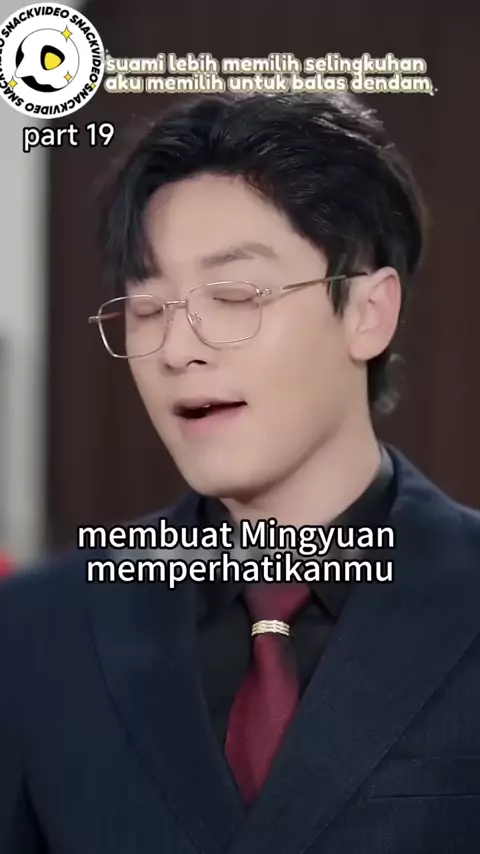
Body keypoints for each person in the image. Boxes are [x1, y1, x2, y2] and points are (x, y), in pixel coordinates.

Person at [1, 91, 479, 854]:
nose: (177, 350)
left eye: (233, 296)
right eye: (148, 310)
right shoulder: (38, 631)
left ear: (368, 312)